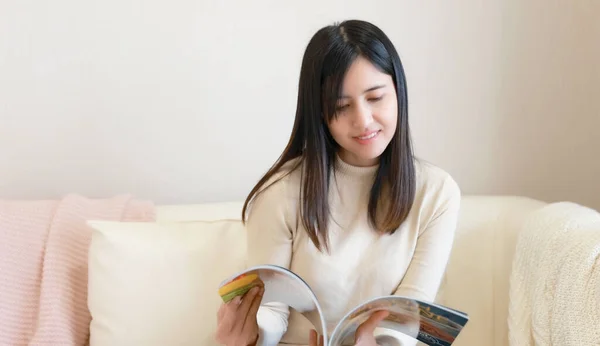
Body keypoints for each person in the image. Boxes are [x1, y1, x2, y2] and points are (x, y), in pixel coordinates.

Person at [215, 19, 461, 346]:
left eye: (375, 98)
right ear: (319, 112)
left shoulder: (437, 193)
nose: (363, 120)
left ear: (398, 92)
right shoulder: (281, 193)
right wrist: (248, 333)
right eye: (342, 106)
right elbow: (272, 309)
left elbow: (411, 312)